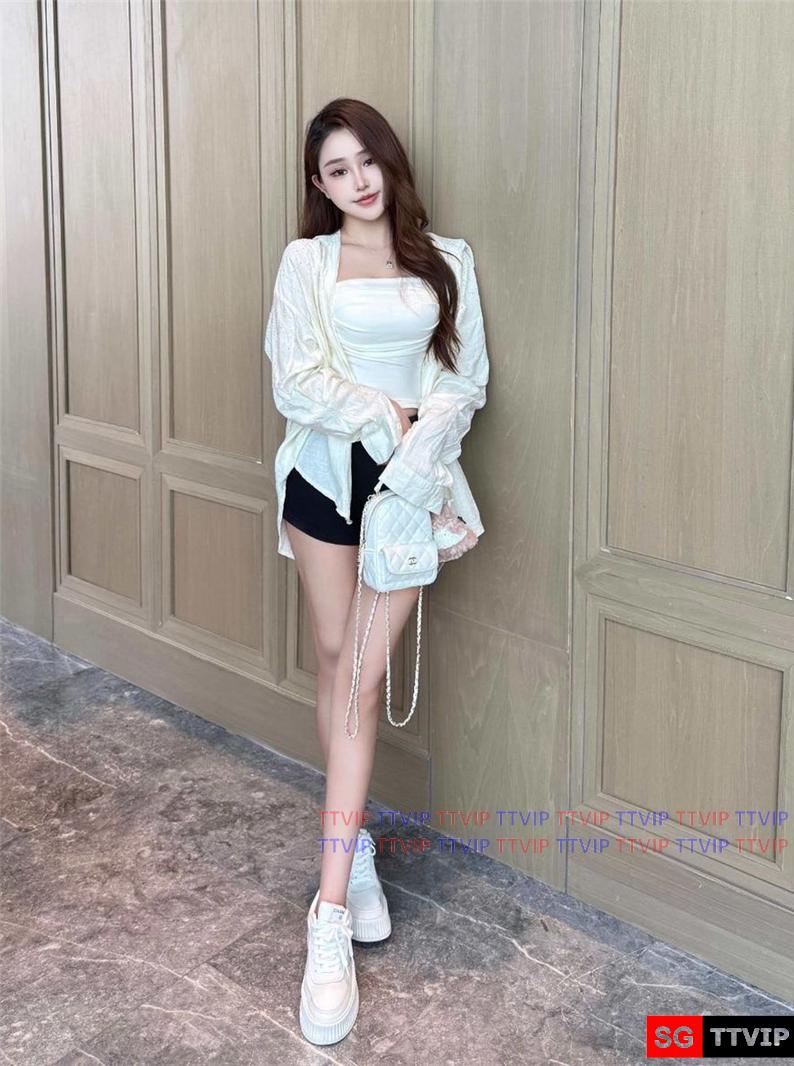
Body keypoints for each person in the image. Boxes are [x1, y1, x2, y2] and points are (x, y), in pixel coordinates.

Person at [263, 97, 489, 1046]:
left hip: (409, 487)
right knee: (331, 659)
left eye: (368, 161)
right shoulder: (306, 263)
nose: (358, 181)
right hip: (325, 476)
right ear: (318, 185)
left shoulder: (448, 261)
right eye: (337, 170)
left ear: (390, 162)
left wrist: (414, 449)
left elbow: (464, 381)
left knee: (359, 681)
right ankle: (351, 853)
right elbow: (295, 379)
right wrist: (377, 412)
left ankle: (326, 921)